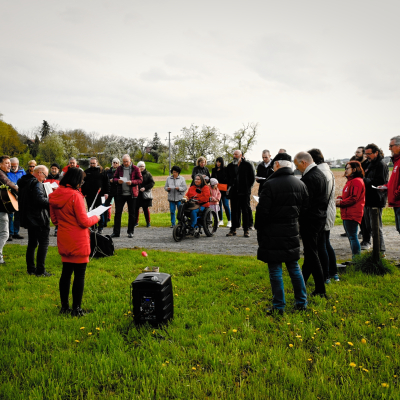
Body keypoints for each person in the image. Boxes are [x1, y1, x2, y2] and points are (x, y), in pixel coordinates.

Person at [255, 153, 309, 315]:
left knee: (275, 270)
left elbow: (262, 211)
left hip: (272, 231)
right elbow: (305, 209)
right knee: (294, 267)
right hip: (292, 230)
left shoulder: (270, 185)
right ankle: (301, 302)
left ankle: (279, 306)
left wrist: (259, 227)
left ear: (277, 164)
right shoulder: (300, 184)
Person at [49, 167, 100, 316]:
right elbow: (84, 221)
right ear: (76, 180)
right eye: (81, 180)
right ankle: (76, 309)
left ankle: (64, 307)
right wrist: (96, 217)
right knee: (79, 274)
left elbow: (54, 220)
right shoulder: (76, 196)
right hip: (78, 238)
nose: (82, 183)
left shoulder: (54, 195)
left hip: (64, 236)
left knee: (66, 273)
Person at [294, 151, 328, 298]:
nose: (297, 168)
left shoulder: (309, 178)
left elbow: (306, 203)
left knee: (312, 253)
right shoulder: (319, 173)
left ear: (303, 163)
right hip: (320, 218)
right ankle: (302, 280)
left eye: (297, 165)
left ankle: (320, 289)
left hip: (310, 220)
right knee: (310, 252)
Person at [308, 149, 340, 283]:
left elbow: (321, 195)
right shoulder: (327, 170)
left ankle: (326, 275)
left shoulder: (320, 172)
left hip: (323, 211)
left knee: (322, 244)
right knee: (326, 243)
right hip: (328, 209)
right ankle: (334, 273)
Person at [18, 165, 52, 277]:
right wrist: (51, 199)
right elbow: (39, 200)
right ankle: (40, 270)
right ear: (40, 172)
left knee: (32, 244)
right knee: (44, 243)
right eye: (45, 176)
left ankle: (31, 269)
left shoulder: (24, 182)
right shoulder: (37, 183)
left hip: (29, 218)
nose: (45, 179)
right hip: (39, 218)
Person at [361, 144, 389, 254]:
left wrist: (366, 180)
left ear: (376, 153)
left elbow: (381, 182)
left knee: (376, 227)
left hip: (376, 199)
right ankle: (375, 250)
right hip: (367, 199)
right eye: (365, 154)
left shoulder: (381, 165)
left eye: (369, 154)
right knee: (369, 227)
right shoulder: (368, 164)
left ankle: (381, 251)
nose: (367, 156)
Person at [336, 160, 365, 258]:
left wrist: (341, 203)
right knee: (351, 236)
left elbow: (354, 198)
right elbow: (348, 196)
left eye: (347, 168)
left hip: (352, 212)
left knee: (353, 236)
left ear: (354, 169)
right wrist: (340, 198)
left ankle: (356, 259)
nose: (346, 170)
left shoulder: (356, 181)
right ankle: (356, 258)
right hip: (347, 212)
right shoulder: (350, 181)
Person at [226, 150, 255, 238]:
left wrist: (247, 188)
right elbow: (227, 178)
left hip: (244, 192)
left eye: (236, 154)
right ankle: (233, 229)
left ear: (241, 155)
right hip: (234, 192)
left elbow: (252, 178)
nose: (234, 156)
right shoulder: (230, 166)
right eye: (234, 154)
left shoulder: (247, 165)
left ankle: (246, 230)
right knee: (234, 211)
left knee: (245, 211)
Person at [112, 154, 142, 238]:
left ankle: (130, 231)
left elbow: (140, 180)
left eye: (127, 161)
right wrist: (118, 181)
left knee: (132, 214)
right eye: (124, 161)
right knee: (118, 213)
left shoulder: (136, 169)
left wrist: (132, 182)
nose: (125, 163)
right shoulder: (119, 168)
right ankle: (116, 232)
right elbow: (114, 178)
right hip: (120, 194)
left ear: (130, 160)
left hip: (132, 194)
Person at [82, 157, 109, 234]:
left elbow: (106, 183)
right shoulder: (86, 172)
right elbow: (82, 183)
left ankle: (101, 227)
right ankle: (93, 227)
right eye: (91, 163)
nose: (92, 164)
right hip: (89, 195)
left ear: (97, 163)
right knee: (91, 211)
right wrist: (84, 193)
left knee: (100, 211)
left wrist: (106, 192)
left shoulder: (102, 171)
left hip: (100, 195)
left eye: (93, 163)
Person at [0, 155, 19, 264]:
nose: (9, 165)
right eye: (7, 163)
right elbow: (8, 182)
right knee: (5, 233)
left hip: (3, 208)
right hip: (1, 210)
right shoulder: (1, 174)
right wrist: (18, 189)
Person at [382, 136, 400, 242]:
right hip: (396, 202)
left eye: (391, 146)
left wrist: (396, 194)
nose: (389, 148)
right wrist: (387, 187)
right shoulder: (396, 162)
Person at [7, 157, 25, 240]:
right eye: (12, 166)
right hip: (10, 194)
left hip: (20, 195)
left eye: (15, 166)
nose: (13, 168)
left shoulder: (22, 172)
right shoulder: (6, 172)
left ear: (18, 165)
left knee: (18, 215)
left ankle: (16, 232)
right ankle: (10, 233)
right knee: (10, 215)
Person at [211, 157, 231, 227]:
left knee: (226, 205)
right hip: (216, 191)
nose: (218, 163)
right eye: (217, 162)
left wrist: (228, 188)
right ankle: (221, 220)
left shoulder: (226, 169)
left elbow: (228, 179)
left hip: (224, 190)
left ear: (222, 162)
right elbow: (212, 179)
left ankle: (229, 221)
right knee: (218, 205)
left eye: (219, 162)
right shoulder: (214, 170)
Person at [135, 161, 155, 228]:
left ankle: (148, 222)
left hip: (145, 195)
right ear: (138, 167)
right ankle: (136, 222)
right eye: (140, 166)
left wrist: (145, 188)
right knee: (136, 209)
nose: (142, 167)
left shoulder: (148, 174)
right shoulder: (135, 174)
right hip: (137, 194)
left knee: (145, 209)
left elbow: (152, 183)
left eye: (143, 166)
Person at [44, 163, 61, 237]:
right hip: (46, 199)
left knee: (57, 216)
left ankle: (57, 230)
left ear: (58, 170)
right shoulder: (46, 177)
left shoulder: (61, 178)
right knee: (46, 215)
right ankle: (46, 230)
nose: (54, 170)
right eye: (52, 168)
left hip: (57, 199)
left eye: (55, 169)